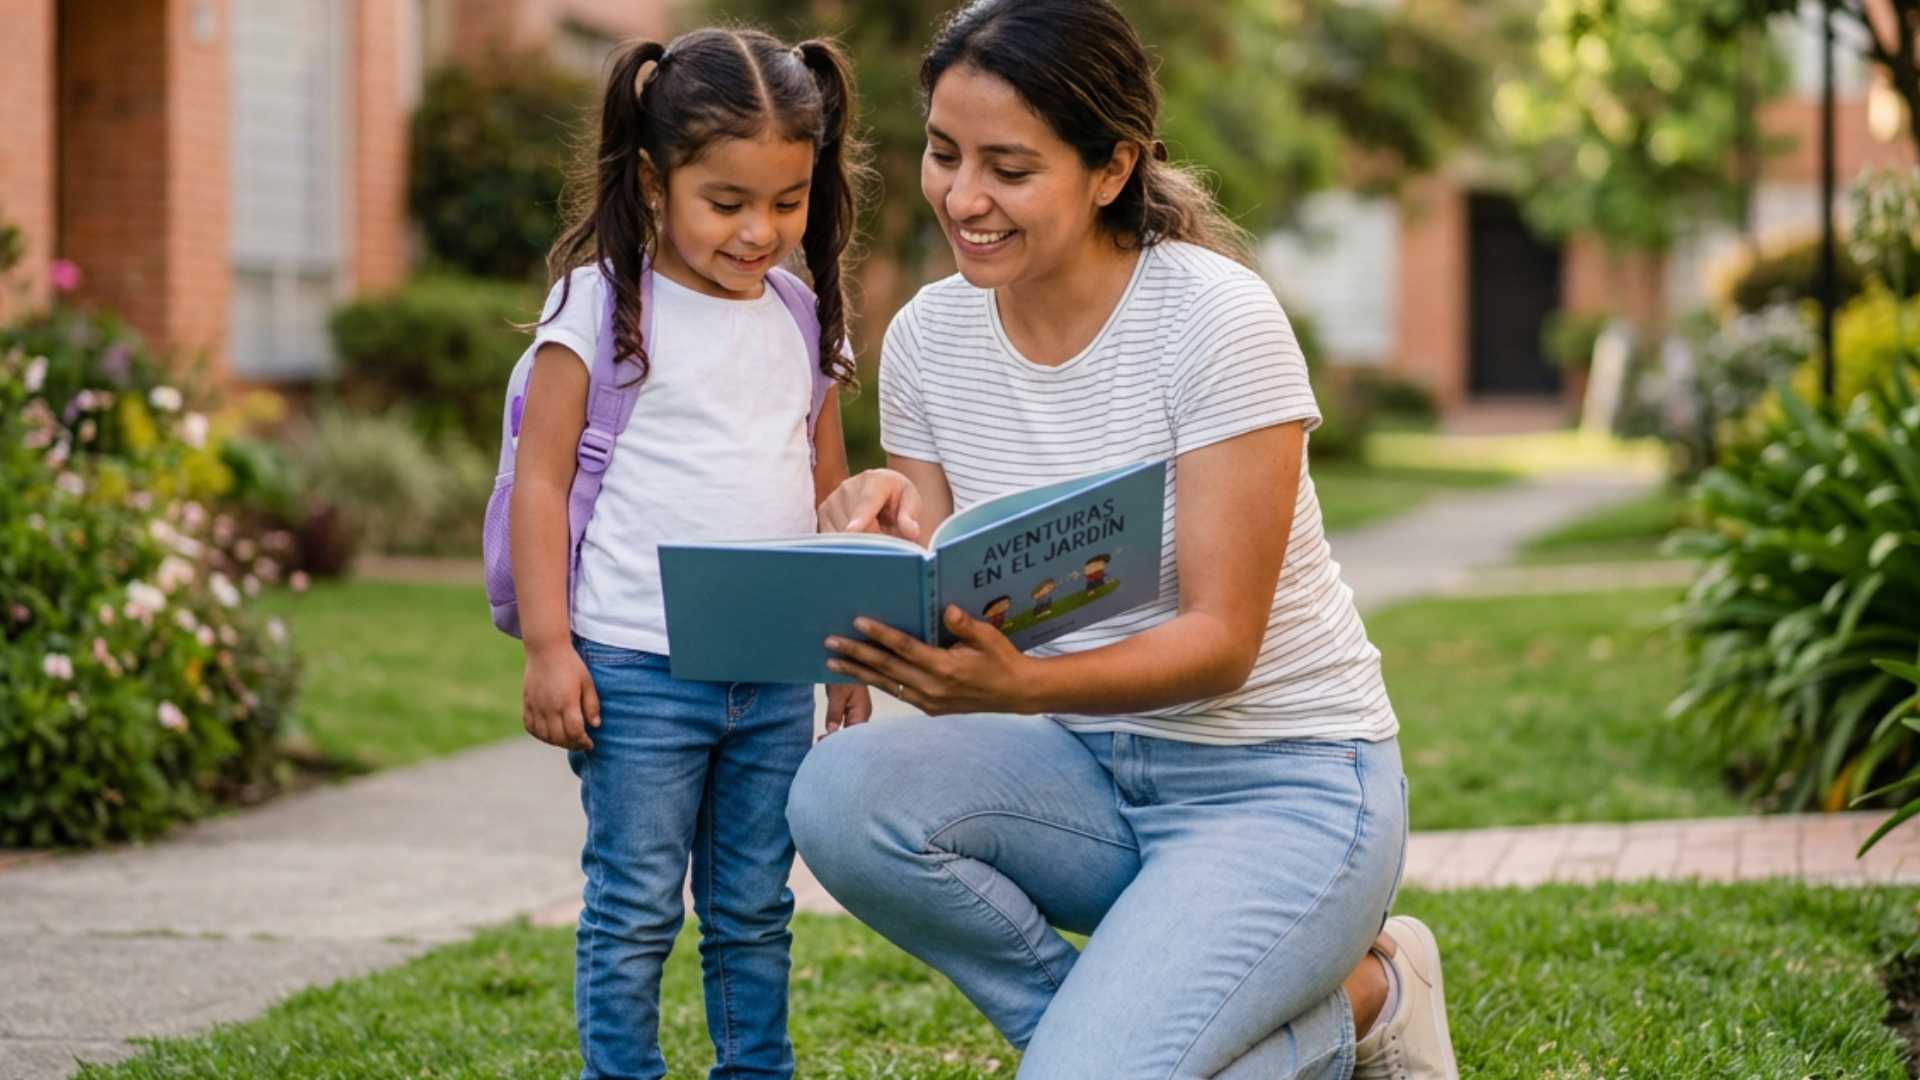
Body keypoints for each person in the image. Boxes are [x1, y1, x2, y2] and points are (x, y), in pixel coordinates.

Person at [786, 2, 1457, 1077]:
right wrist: (871, 536)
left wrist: (1016, 691)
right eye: (944, 152)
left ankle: (1370, 994)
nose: (963, 198)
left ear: (1111, 169)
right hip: (1081, 772)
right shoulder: (927, 338)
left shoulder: (1214, 319)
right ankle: (1151, 1037)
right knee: (837, 792)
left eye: (1009, 167)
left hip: (1284, 784)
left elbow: (1221, 643)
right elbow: (948, 597)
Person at [509, 27, 871, 1080]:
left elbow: (825, 498)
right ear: (655, 180)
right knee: (629, 905)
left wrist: (843, 649)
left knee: (755, 903)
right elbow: (539, 482)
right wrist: (547, 646)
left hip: (770, 677)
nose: (761, 231)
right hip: (632, 669)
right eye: (729, 202)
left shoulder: (803, 317)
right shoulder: (601, 307)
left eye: (788, 200)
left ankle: (755, 1069)